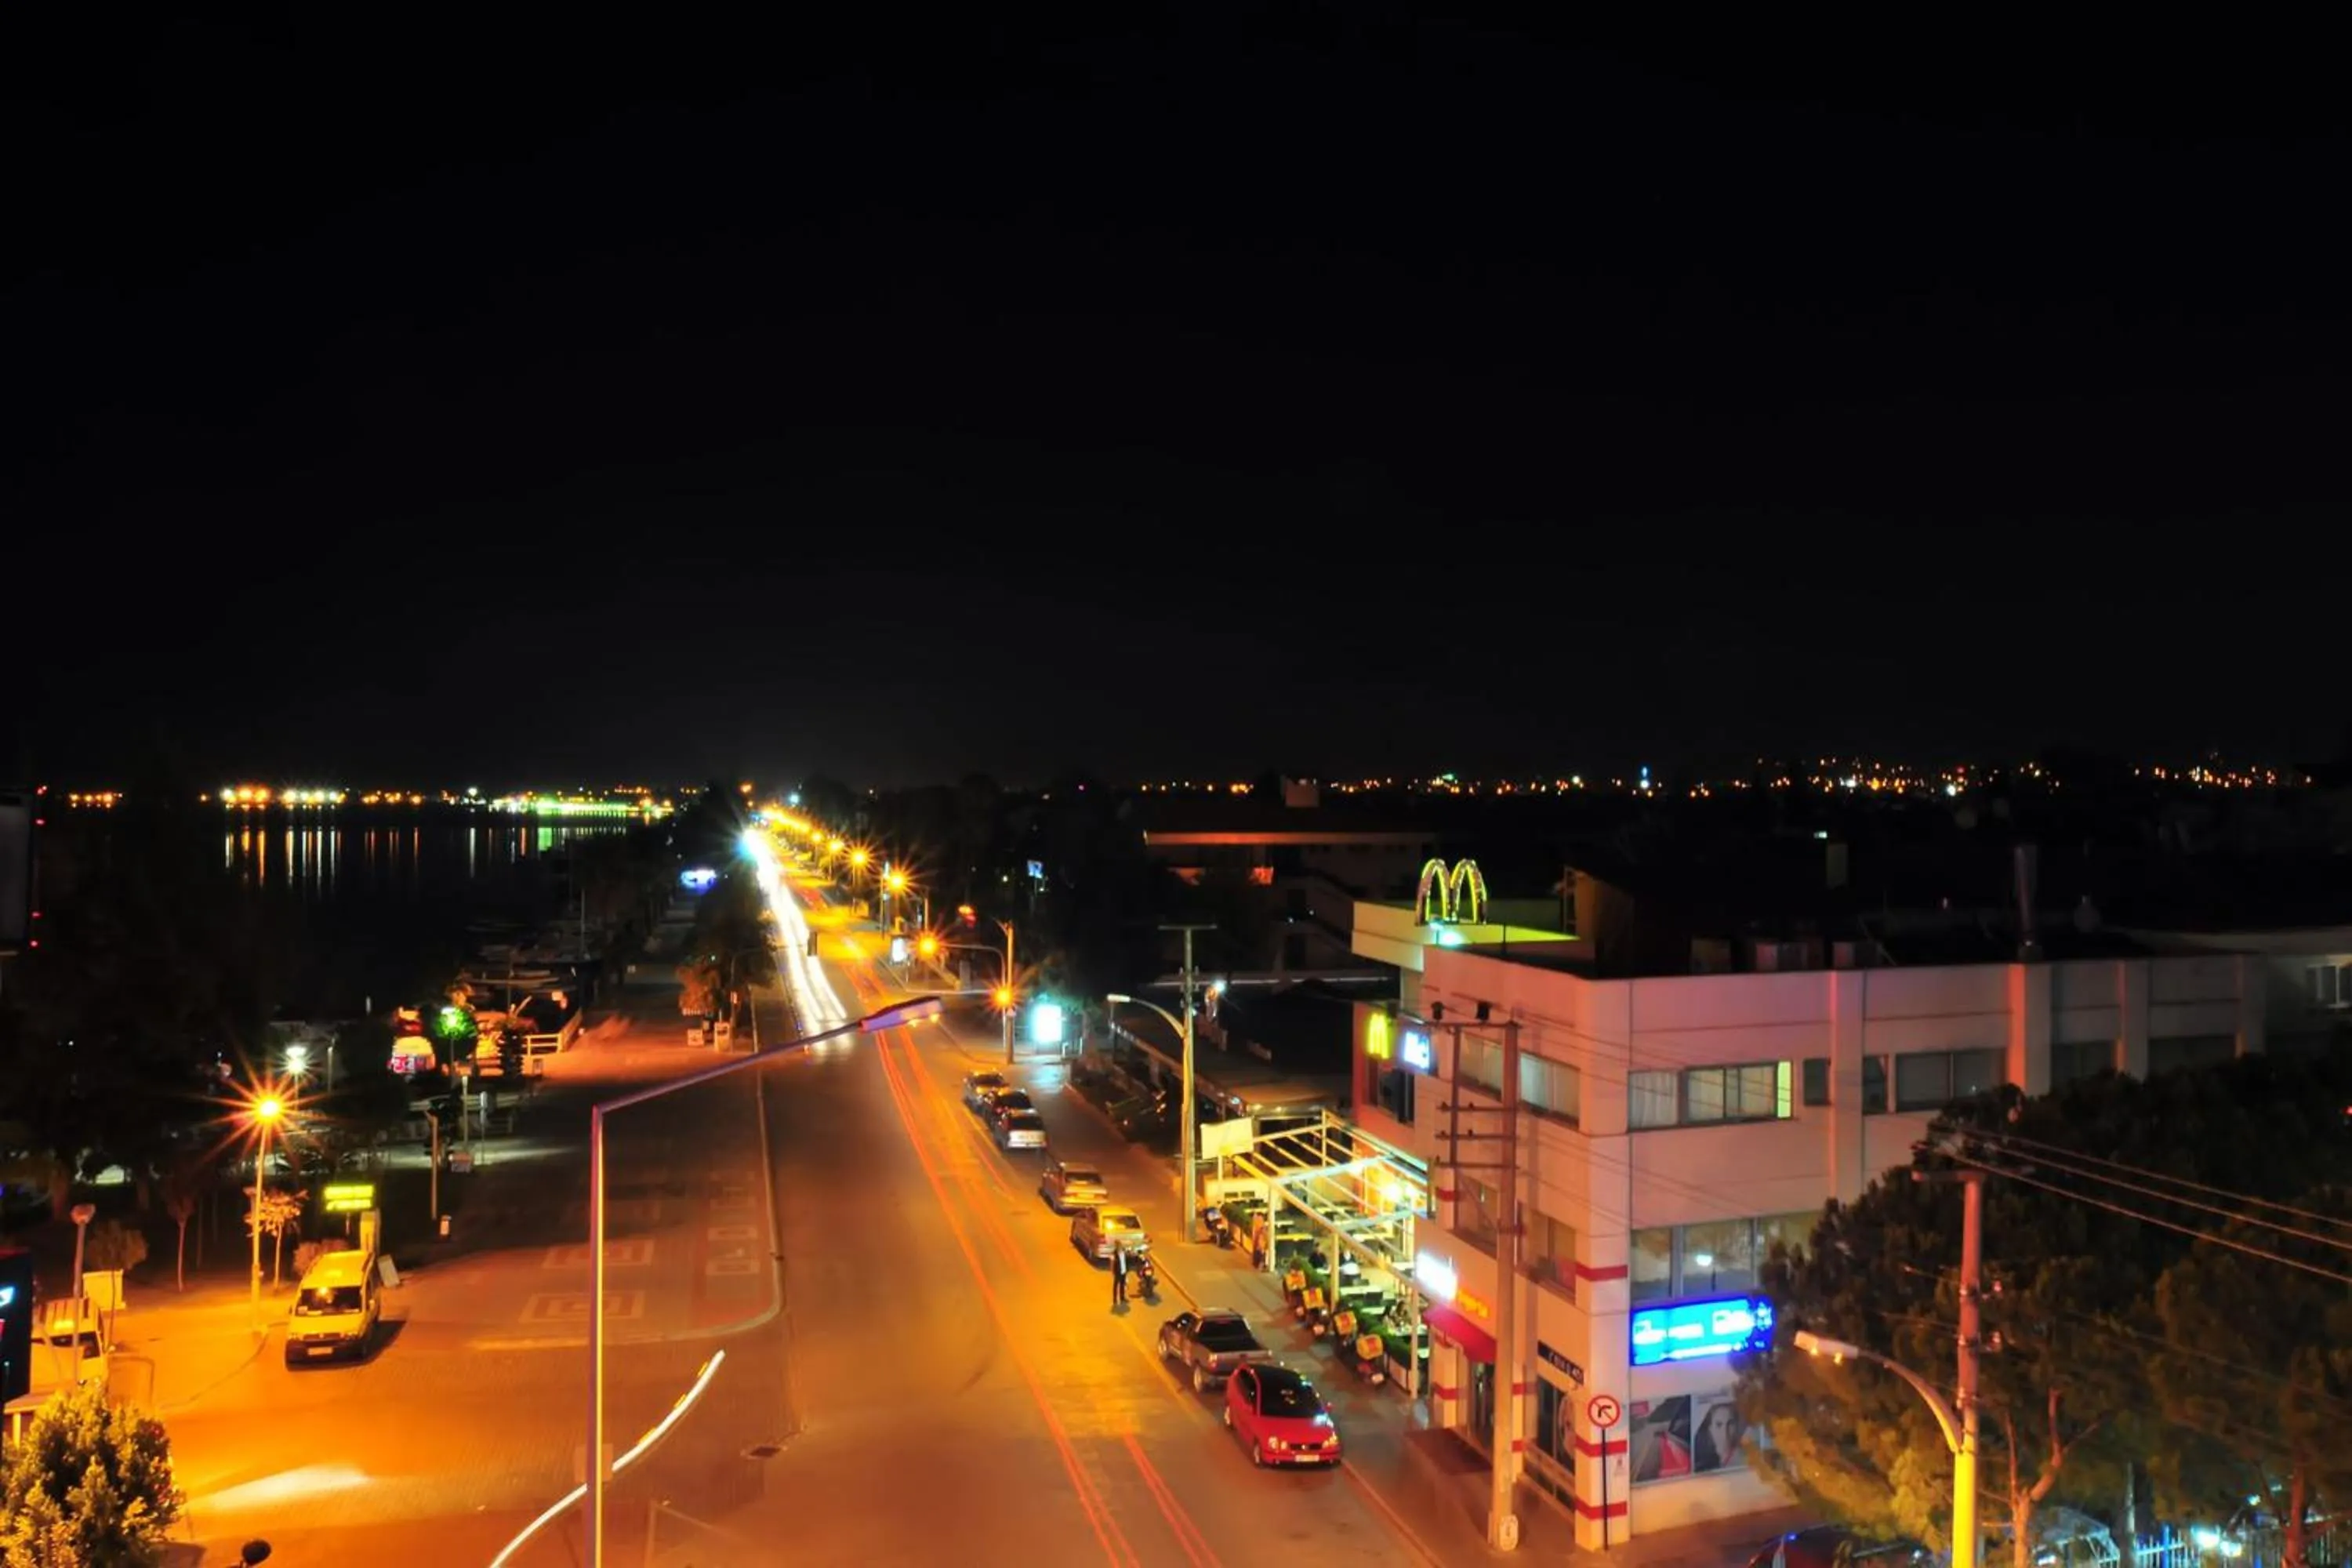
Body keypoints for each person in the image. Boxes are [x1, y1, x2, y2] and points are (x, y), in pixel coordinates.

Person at [1111, 1243, 1130, 1307]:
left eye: (1121, 1247)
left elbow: (1126, 1261)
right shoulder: (1115, 1254)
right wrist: (1113, 1271)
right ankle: (1115, 1300)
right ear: (1117, 1247)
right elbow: (1112, 1263)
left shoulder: (1124, 1252)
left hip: (1123, 1271)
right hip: (1118, 1272)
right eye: (1119, 1247)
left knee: (1122, 1285)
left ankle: (1122, 1298)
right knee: (1116, 1286)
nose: (1120, 1248)